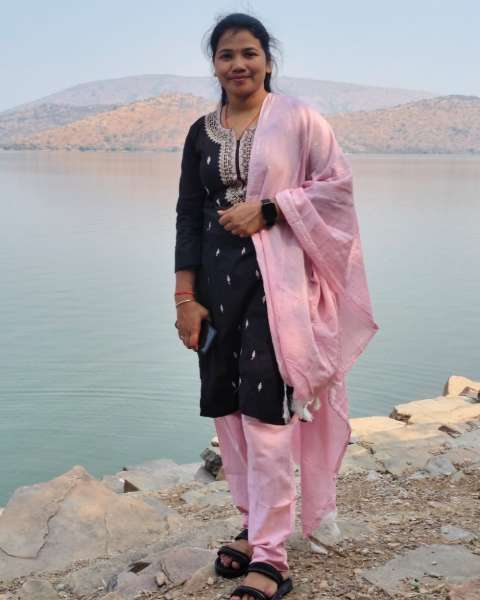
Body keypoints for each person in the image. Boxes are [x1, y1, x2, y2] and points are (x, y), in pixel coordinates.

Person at [174, 13, 378, 600]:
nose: (238, 64)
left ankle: (272, 557)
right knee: (228, 414)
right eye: (226, 55)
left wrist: (271, 209)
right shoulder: (200, 133)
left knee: (266, 418)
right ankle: (252, 523)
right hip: (216, 291)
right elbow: (189, 216)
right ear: (214, 64)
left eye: (249, 53)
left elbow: (337, 189)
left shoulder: (300, 121)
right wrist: (185, 298)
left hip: (278, 292)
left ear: (267, 59)